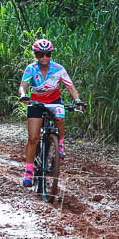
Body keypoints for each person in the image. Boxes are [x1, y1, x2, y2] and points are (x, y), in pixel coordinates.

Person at [17, 38, 84, 187]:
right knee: (33, 138)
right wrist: (23, 95)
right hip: (36, 103)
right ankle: (28, 172)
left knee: (60, 118)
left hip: (54, 101)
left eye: (47, 54)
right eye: (41, 55)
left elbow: (70, 86)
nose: (44, 58)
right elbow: (23, 85)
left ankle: (59, 144)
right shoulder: (31, 68)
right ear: (36, 55)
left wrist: (78, 100)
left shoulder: (59, 68)